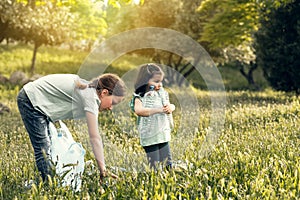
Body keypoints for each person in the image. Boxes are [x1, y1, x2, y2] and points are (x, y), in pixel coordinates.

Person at [17, 73, 126, 183]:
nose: (111, 108)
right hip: (31, 100)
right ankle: (49, 186)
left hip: (37, 100)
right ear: (104, 93)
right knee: (43, 150)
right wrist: (103, 170)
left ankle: (48, 180)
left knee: (49, 149)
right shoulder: (91, 97)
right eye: (113, 102)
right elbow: (94, 138)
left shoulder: (88, 90)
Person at [130, 63, 175, 170]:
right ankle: (155, 179)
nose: (159, 84)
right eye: (156, 81)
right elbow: (139, 111)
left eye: (161, 81)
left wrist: (171, 108)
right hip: (150, 135)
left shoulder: (161, 94)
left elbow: (170, 104)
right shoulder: (139, 96)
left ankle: (168, 179)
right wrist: (159, 110)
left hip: (162, 133)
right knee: (154, 164)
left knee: (168, 163)